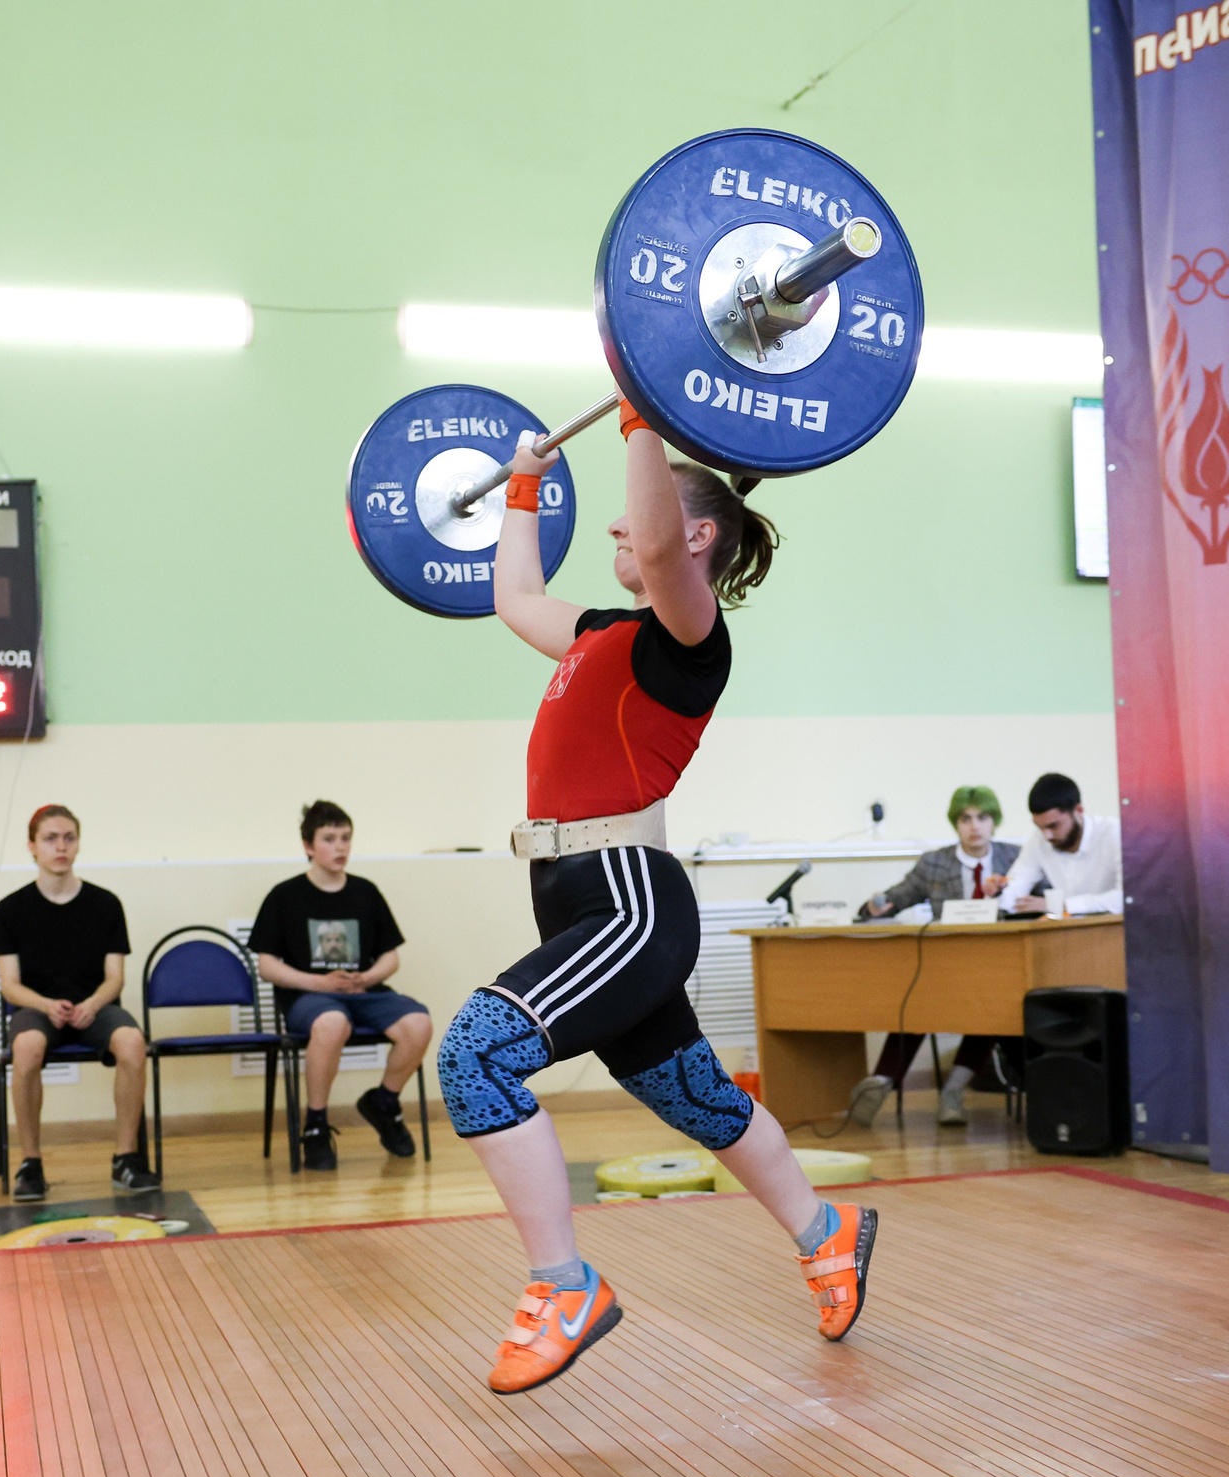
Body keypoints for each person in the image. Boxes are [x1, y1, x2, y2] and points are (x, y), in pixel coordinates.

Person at [433, 401, 878, 1396]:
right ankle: (825, 1230)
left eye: (636, 517)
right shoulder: (598, 633)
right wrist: (521, 483)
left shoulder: (688, 633)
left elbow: (662, 543)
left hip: (630, 901)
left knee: (473, 1058)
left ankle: (564, 1286)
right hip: (574, 899)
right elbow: (513, 595)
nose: (616, 530)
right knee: (694, 1097)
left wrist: (640, 415)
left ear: (696, 534)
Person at [0, 804, 161, 1202]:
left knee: (133, 1042)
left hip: (94, 1005)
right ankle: (31, 1163)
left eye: (69, 837)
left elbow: (115, 976)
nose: (60, 846)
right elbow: (10, 987)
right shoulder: (10, 910)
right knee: (27, 1047)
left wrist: (93, 1004)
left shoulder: (105, 904)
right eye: (50, 838)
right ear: (32, 847)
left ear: (78, 844)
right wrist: (48, 1005)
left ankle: (126, 1158)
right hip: (37, 1006)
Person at [249, 800, 434, 1169]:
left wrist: (368, 977)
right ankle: (315, 1125)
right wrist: (319, 983)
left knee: (419, 1023)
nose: (341, 847)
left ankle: (383, 1103)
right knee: (333, 1024)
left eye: (346, 838)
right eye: (330, 838)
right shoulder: (284, 896)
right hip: (309, 997)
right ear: (308, 846)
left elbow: (390, 958)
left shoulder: (365, 892)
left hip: (362, 991)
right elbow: (267, 966)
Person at [847, 785, 1024, 1129]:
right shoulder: (935, 863)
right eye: (966, 818)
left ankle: (953, 1090)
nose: (975, 826)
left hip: (1000, 967)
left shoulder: (1016, 858)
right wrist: (873, 906)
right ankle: (881, 1083)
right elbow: (896, 897)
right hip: (948, 968)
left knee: (993, 1002)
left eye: (982, 818)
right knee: (917, 1000)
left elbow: (1041, 901)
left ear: (995, 822)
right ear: (955, 824)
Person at [1000, 773, 1124, 918]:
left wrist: (1061, 905)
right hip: (1069, 933)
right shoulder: (1039, 839)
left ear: (1078, 811)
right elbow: (1014, 895)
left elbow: (1126, 898)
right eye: (1040, 827)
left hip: (1118, 933)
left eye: (1054, 826)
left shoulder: (1115, 832)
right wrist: (999, 891)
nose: (1047, 835)